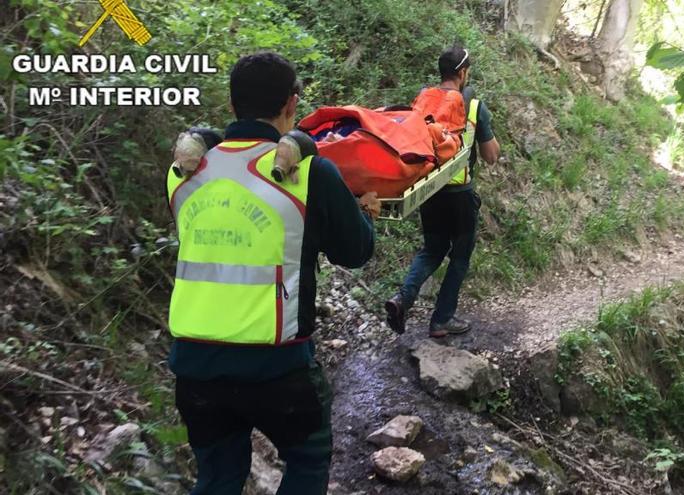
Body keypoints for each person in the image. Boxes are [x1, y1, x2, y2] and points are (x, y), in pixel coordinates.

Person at [165, 52, 380, 495]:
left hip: (195, 367)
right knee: (307, 460)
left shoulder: (183, 174)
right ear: (291, 103)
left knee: (218, 477)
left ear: (231, 105)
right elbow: (356, 251)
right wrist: (368, 216)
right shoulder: (309, 174)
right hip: (277, 367)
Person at [385, 45, 500, 338]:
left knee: (432, 249)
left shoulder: (423, 102)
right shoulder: (474, 105)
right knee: (460, 256)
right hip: (460, 193)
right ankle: (441, 320)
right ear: (463, 73)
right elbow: (490, 155)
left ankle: (403, 299)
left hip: (427, 190)